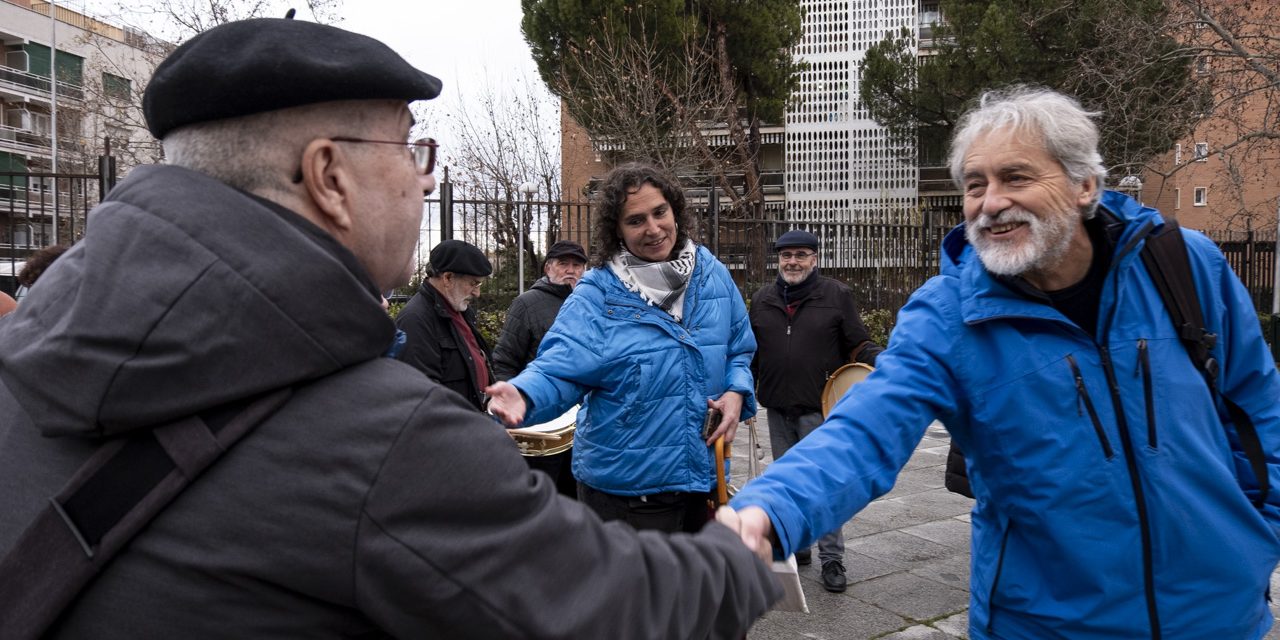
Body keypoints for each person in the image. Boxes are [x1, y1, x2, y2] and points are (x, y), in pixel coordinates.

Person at [0, 18, 780, 638]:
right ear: (329, 176)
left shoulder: (18, 361)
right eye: (412, 147)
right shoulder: (391, 441)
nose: (424, 177)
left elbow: (736, 348)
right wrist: (734, 561)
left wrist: (738, 386)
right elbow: (604, 608)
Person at [720, 86, 1280, 639]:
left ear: (1084, 184)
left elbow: (1259, 411)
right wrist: (768, 510)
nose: (990, 202)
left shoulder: (1185, 266)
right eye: (974, 185)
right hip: (1047, 624)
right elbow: (864, 430)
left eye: (1015, 177)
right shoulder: (948, 315)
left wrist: (1251, 540)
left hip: (1218, 616)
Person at [488, 163, 757, 534]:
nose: (653, 228)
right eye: (635, 220)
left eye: (659, 212)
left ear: (674, 209)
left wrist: (735, 391)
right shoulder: (597, 293)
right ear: (616, 230)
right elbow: (558, 366)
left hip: (704, 478)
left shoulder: (711, 273)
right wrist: (523, 394)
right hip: (628, 490)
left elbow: (739, 349)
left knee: (696, 591)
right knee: (638, 594)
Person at [747, 228, 883, 593]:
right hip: (776, 408)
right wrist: (744, 392)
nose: (793, 262)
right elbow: (752, 354)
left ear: (815, 258)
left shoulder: (836, 295)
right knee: (788, 485)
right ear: (779, 259)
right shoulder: (762, 299)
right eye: (786, 255)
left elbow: (857, 343)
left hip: (821, 410)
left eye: (801, 255)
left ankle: (832, 558)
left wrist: (882, 361)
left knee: (825, 487)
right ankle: (800, 545)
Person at [491, 239, 588, 497]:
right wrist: (515, 414)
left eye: (577, 264)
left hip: (584, 425)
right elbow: (505, 359)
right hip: (542, 425)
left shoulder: (593, 305)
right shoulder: (527, 304)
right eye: (563, 263)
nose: (570, 270)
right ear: (548, 268)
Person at [395, 239, 493, 411]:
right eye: (473, 283)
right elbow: (422, 395)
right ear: (447, 278)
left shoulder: (460, 311)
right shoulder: (415, 319)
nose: (477, 293)